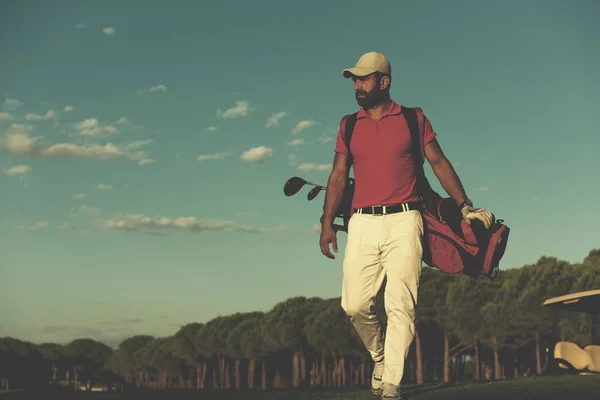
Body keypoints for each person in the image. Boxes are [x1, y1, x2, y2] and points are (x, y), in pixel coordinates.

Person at [319, 52, 494, 399]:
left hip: (405, 220)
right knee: (354, 304)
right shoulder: (348, 124)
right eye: (354, 80)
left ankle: (391, 384)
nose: (357, 85)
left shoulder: (413, 119)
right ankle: (380, 357)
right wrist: (327, 222)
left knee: (400, 304)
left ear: (384, 82)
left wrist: (465, 205)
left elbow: (439, 162)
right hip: (362, 222)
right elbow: (339, 175)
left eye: (364, 79)